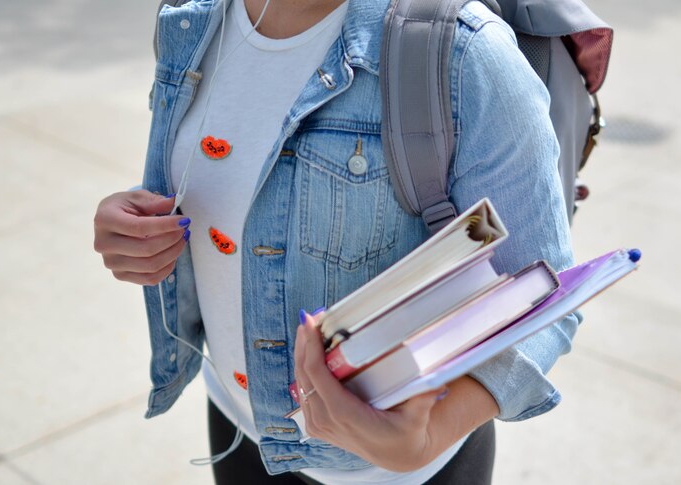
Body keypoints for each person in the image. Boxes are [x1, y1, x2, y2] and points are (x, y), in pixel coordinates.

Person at [93, 0, 580, 483]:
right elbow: (209, 187)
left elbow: (542, 294)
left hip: (397, 475)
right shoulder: (190, 18)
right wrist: (134, 229)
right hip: (236, 424)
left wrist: (426, 438)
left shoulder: (464, 52)